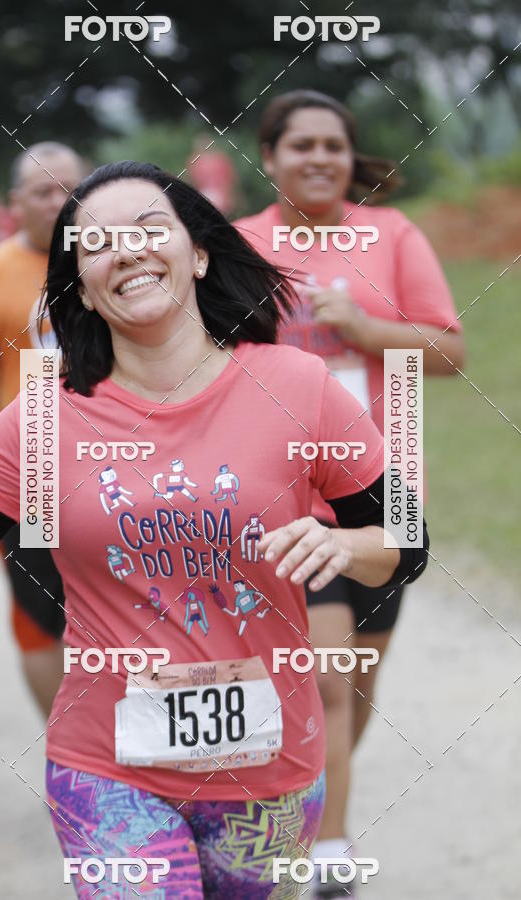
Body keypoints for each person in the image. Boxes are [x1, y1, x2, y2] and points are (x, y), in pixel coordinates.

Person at [0, 161, 429, 898]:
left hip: (271, 774)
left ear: (198, 253)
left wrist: (346, 543)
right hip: (106, 769)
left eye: (148, 229)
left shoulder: (297, 386)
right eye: (95, 244)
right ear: (80, 286)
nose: (124, 250)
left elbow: (407, 542)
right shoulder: (41, 420)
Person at [234, 89, 465, 897]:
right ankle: (324, 852)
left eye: (334, 145)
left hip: (387, 492)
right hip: (292, 498)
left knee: (355, 687)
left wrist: (367, 332)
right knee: (325, 677)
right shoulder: (239, 245)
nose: (320, 158)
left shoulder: (390, 235)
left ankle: (307, 793)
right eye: (301, 146)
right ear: (270, 157)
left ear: (349, 156)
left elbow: (449, 347)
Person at [0, 142, 86, 716]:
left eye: (70, 188)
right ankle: (72, 753)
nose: (58, 201)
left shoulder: (117, 259)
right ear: (14, 203)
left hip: (126, 462)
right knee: (39, 618)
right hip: (32, 469)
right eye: (43, 190)